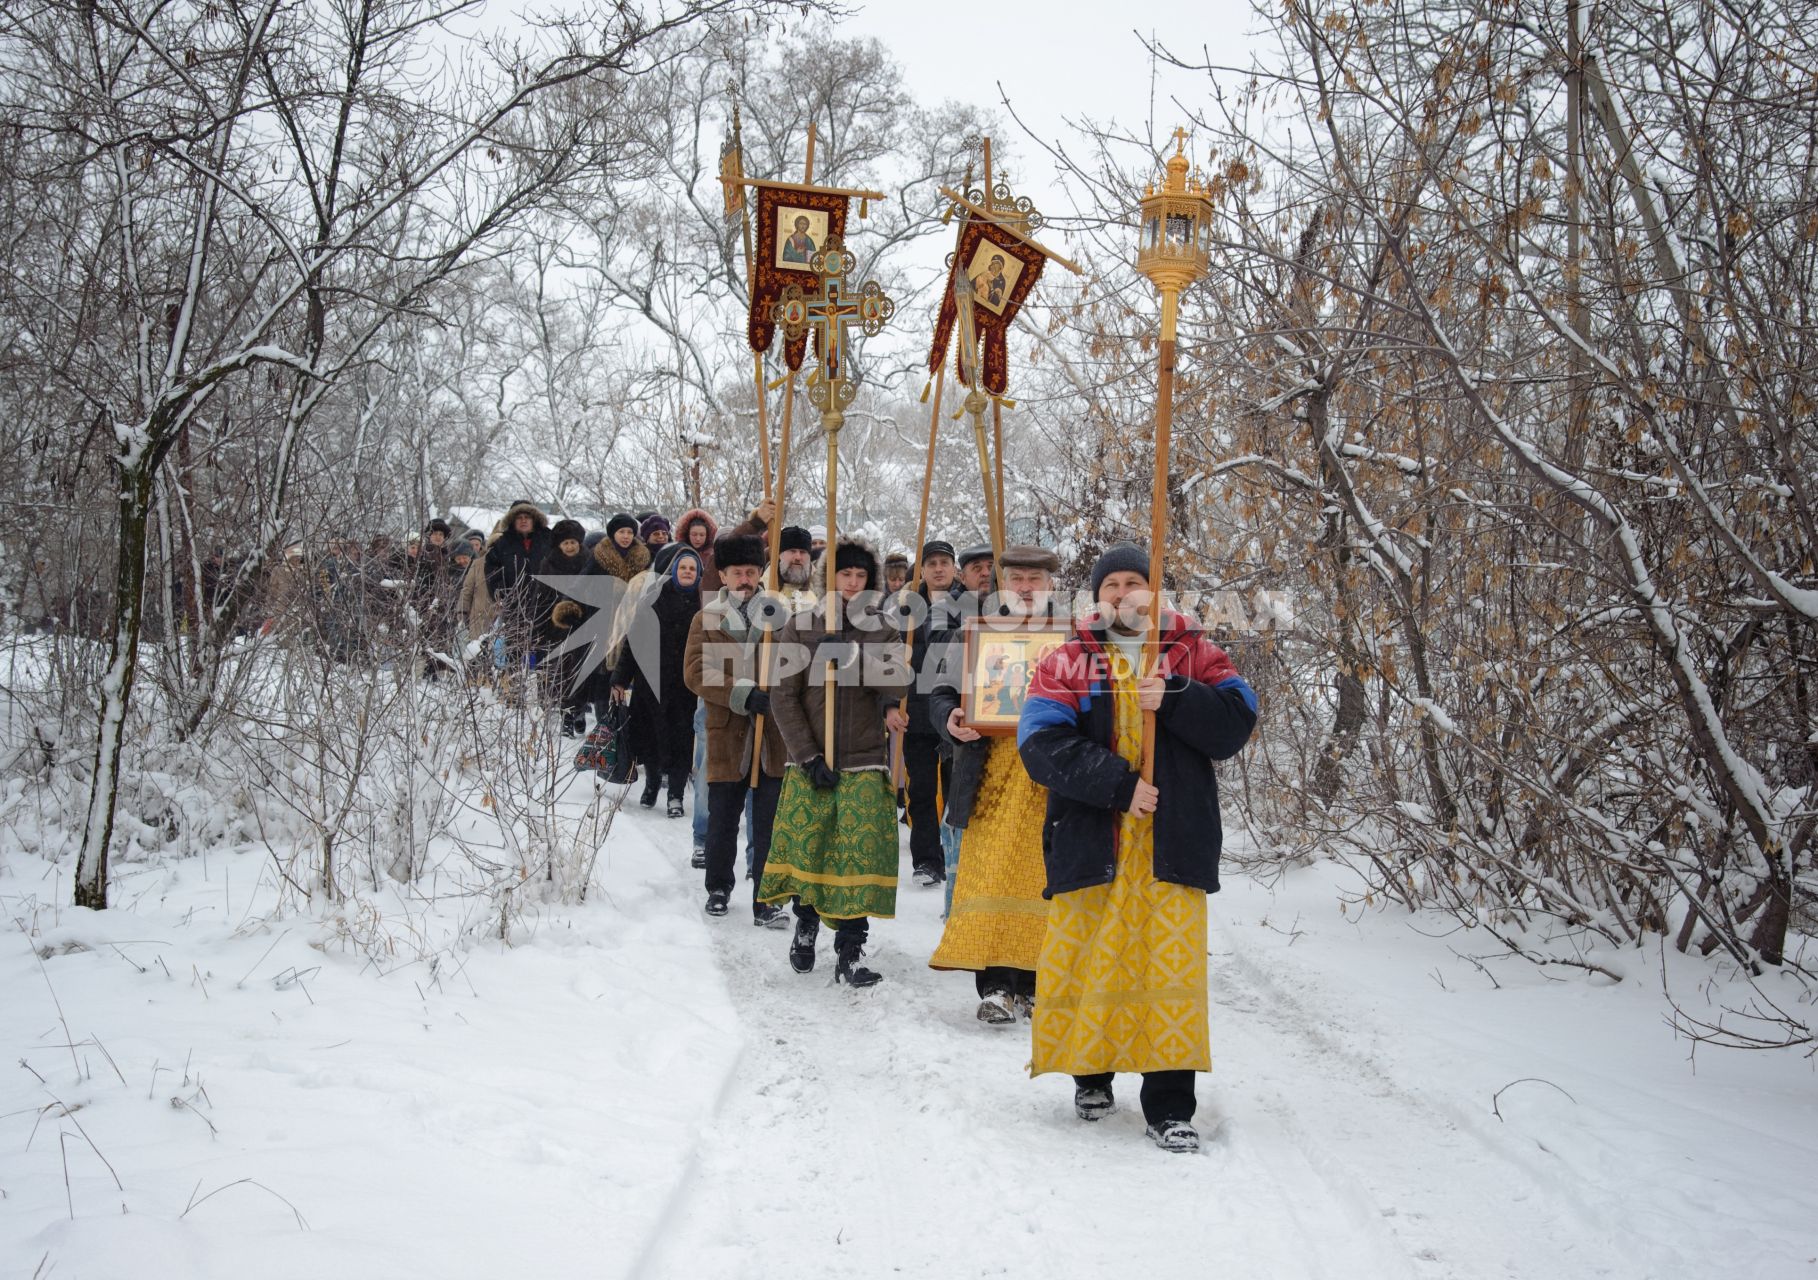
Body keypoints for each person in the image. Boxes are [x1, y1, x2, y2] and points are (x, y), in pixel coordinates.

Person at [1017, 543, 1259, 1154]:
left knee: (1167, 972)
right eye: (1111, 585)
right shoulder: (1068, 659)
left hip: (1172, 844)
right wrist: (1120, 786)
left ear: (1154, 591)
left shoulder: (1193, 651)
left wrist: (1175, 696)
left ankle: (1170, 1105)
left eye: (1134, 582)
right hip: (1094, 838)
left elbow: (1237, 721)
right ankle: (1091, 1077)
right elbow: (1040, 742)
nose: (1123, 594)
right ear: (1095, 597)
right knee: (1090, 959)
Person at [758, 537, 911, 987]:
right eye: (845, 574)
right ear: (830, 577)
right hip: (813, 758)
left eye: (861, 576)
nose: (852, 583)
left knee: (857, 859)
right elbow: (783, 697)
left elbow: (898, 676)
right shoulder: (801, 626)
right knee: (814, 851)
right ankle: (806, 924)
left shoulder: (882, 628)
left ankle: (850, 950)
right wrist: (805, 755)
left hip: (864, 759)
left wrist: (854, 658)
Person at [928, 545, 1062, 1025]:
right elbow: (940, 694)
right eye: (1018, 578)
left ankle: (1034, 984)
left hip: (1052, 779)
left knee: (1046, 879)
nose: (1026, 587)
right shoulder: (977, 632)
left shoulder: (1073, 638)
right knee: (994, 874)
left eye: (1035, 579)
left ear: (1051, 585)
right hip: (990, 775)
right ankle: (998, 986)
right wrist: (953, 718)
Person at [684, 532, 790, 927]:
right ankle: (718, 887)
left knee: (768, 821)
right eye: (736, 573)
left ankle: (767, 897)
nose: (745, 579)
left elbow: (797, 667)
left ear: (760, 573)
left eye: (751, 571)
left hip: (773, 737)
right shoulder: (706, 618)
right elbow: (696, 672)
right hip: (726, 732)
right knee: (722, 817)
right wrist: (743, 693)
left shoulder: (780, 616)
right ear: (724, 576)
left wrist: (774, 690)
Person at [612, 543, 703, 816]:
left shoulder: (705, 604)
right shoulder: (651, 599)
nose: (687, 572)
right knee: (650, 737)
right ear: (672, 571)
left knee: (682, 739)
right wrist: (619, 679)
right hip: (650, 683)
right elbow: (632, 642)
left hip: (685, 687)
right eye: (682, 567)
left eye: (692, 568)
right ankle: (651, 783)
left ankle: (675, 794)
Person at [899, 540, 959, 887]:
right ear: (921, 570)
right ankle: (926, 859)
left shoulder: (969, 604)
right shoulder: (906, 608)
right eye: (931, 563)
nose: (938, 569)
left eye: (944, 562)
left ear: (954, 568)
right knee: (921, 791)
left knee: (956, 791)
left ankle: (956, 856)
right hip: (917, 712)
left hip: (954, 711)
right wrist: (891, 703)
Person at [532, 518, 599, 736]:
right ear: (558, 545)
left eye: (573, 542)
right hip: (556, 626)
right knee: (562, 674)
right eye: (565, 543)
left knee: (580, 672)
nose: (570, 547)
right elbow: (541, 597)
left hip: (585, 623)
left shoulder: (590, 562)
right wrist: (541, 627)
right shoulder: (549, 564)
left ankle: (577, 711)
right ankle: (567, 716)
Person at [483, 501, 553, 678]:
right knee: (514, 651)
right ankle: (514, 696)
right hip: (515, 606)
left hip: (545, 605)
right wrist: (502, 595)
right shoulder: (503, 543)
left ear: (534, 519)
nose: (523, 521)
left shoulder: (548, 539)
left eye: (527, 517)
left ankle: (544, 696)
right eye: (519, 517)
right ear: (512, 521)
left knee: (545, 653)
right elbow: (492, 572)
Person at [593, 513, 651, 582]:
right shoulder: (599, 555)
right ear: (613, 534)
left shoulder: (643, 556)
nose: (626, 536)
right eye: (621, 532)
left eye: (630, 532)